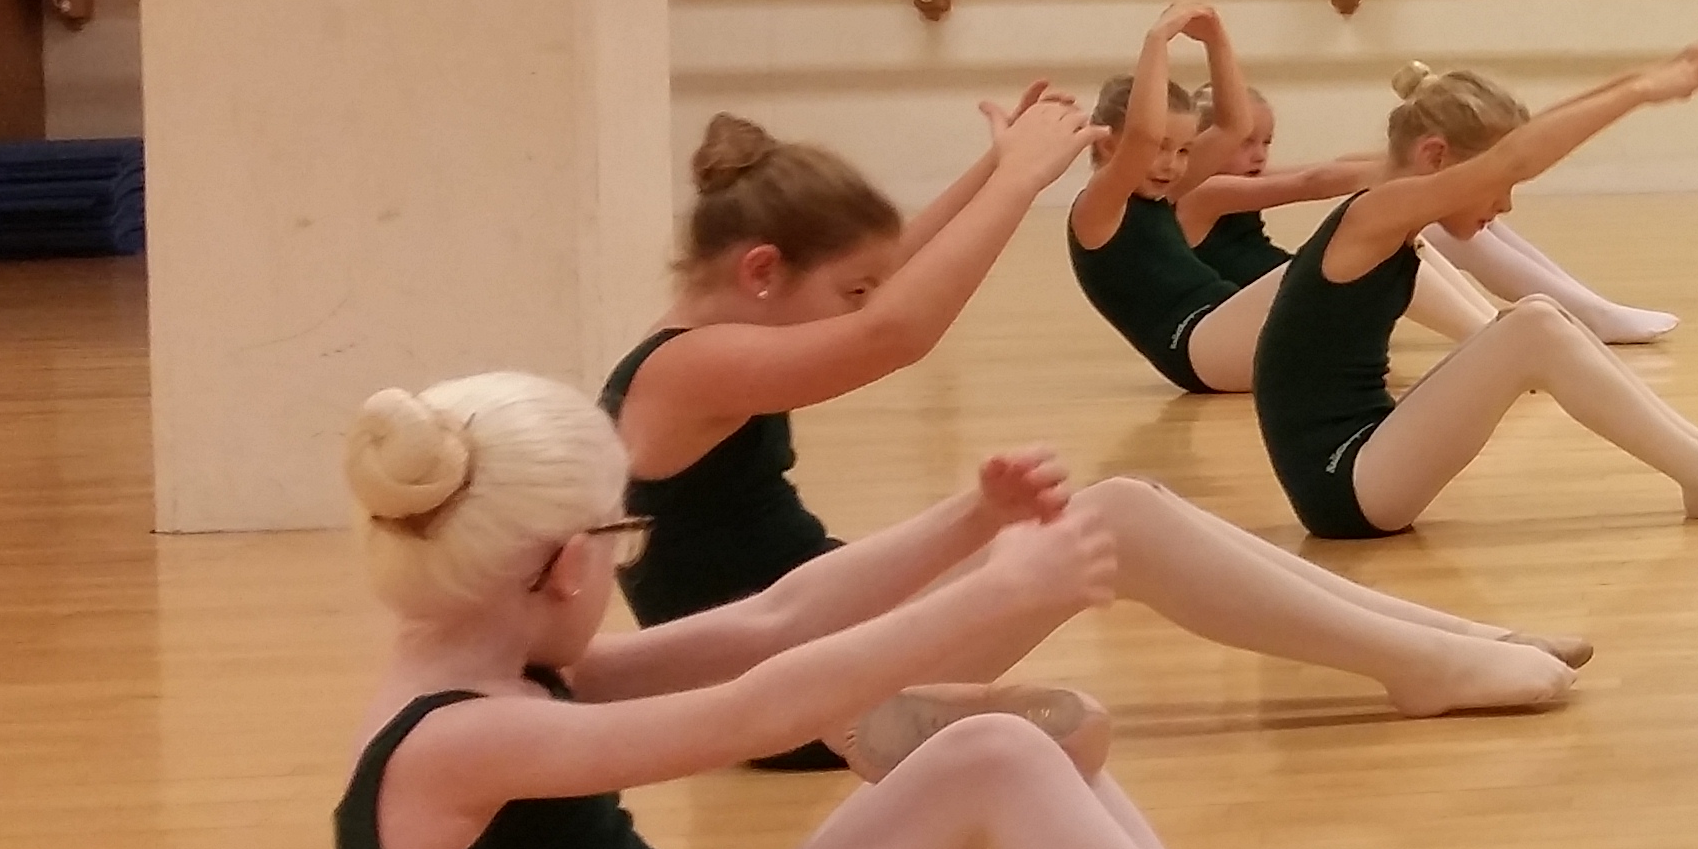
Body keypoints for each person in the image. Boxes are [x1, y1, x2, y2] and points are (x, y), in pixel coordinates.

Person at [333, 374, 1470, 849]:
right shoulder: (456, 744)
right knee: (992, 753)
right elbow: (753, 711)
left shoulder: (493, 679)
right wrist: (994, 598)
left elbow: (773, 620)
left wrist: (970, 520)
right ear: (569, 567)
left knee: (1024, 750)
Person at [611, 112, 1580, 725]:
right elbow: (895, 332)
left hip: (829, 641)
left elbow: (892, 274)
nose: (867, 299)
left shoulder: (691, 343)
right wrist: (1019, 184)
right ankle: (1424, 665)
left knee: (1129, 506)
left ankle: (1456, 641)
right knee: (1115, 521)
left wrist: (995, 166)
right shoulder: (688, 370)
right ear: (761, 270)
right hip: (802, 696)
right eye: (849, 289)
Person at [1248, 57, 1698, 539]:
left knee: (1538, 316)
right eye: (1497, 187)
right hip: (1343, 482)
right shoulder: (1376, 210)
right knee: (1534, 329)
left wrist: (1641, 79)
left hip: (1367, 459)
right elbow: (1515, 156)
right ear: (1436, 157)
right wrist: (1642, 92)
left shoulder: (1386, 196)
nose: (1504, 203)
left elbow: (1518, 147)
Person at [1064, 4, 1644, 396]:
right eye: (1158, 150)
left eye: (1182, 150)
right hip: (1202, 351)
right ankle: (1498, 340)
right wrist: (1157, 40)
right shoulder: (1099, 209)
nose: (1170, 162)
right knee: (1380, 228)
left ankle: (1497, 333)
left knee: (1399, 236)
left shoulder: (1171, 191)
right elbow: (1145, 138)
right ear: (1109, 146)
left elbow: (1235, 123)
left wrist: (1217, 39)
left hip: (1236, 335)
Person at [1170, 8, 1682, 342]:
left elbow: (1332, 166)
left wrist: (1443, 163)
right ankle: (1505, 332)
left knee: (1448, 213)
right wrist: (1437, 171)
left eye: (1266, 142)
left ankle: (1583, 308)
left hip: (1278, 304)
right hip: (1244, 323)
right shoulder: (1201, 196)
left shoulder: (1239, 187)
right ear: (1201, 143)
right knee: (1428, 224)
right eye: (1244, 142)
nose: (1258, 154)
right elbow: (1315, 181)